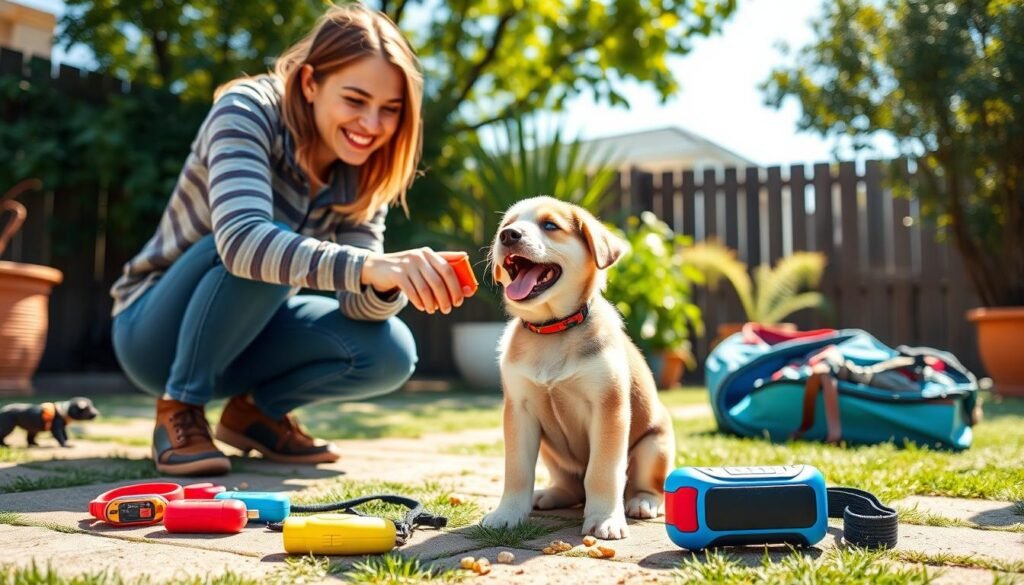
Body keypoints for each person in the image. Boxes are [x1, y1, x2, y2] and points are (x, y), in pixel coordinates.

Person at [110, 3, 472, 476]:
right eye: (355, 99)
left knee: (391, 352)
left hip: (246, 336)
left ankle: (255, 413)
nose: (371, 126)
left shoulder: (365, 171)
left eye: (390, 110)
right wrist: (369, 267)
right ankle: (179, 407)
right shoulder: (245, 111)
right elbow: (241, 243)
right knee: (265, 245)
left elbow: (358, 306)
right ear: (309, 83)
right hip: (152, 333)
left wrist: (387, 284)